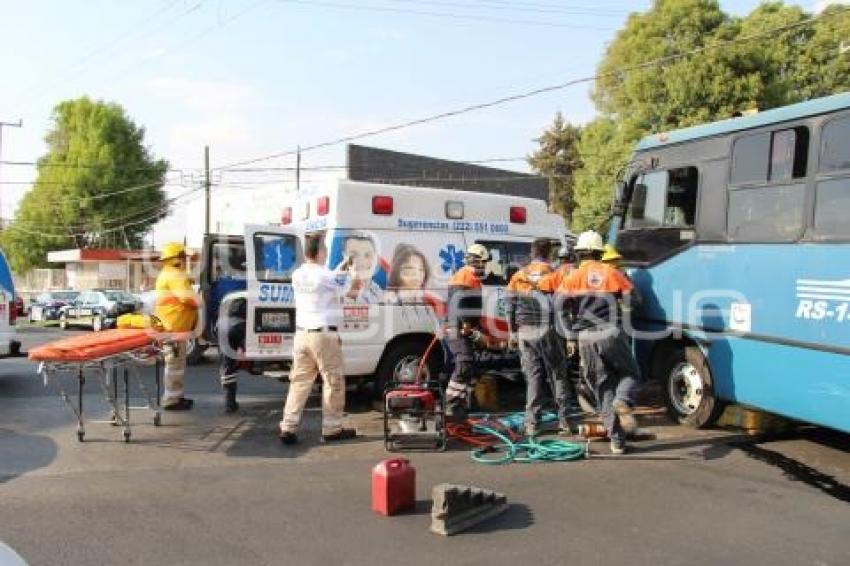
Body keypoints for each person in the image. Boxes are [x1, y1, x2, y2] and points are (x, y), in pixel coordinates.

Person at [557, 230, 641, 455]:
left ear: (580, 254)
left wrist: (570, 335)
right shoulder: (612, 272)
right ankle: (622, 400)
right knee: (631, 374)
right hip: (610, 332)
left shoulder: (572, 277)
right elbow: (634, 298)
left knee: (602, 388)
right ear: (599, 252)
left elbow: (559, 306)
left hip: (585, 338)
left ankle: (617, 442)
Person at [279, 234, 357, 445]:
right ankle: (332, 428)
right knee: (333, 381)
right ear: (322, 252)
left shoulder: (298, 274)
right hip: (324, 336)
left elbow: (328, 279)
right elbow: (351, 290)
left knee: (299, 382)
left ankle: (288, 426)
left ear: (306, 253)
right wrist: (351, 270)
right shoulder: (325, 276)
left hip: (302, 335)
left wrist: (340, 268)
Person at [506, 238, 575, 437]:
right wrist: (569, 335)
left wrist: (512, 332)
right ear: (549, 254)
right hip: (549, 330)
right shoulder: (556, 274)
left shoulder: (518, 275)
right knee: (558, 374)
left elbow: (509, 306)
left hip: (525, 331)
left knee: (534, 376)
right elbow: (564, 306)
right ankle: (565, 422)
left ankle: (532, 424)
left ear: (532, 253)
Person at [444, 243, 489, 421]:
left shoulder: (470, 277)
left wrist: (477, 327)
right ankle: (452, 403)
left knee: (470, 365)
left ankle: (465, 403)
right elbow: (458, 301)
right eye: (484, 262)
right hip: (458, 328)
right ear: (476, 261)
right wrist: (466, 324)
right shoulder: (465, 276)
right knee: (464, 362)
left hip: (465, 328)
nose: (485, 266)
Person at [155, 242, 200, 411]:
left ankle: (176, 397)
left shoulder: (170, 274)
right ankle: (171, 400)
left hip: (172, 327)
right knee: (174, 365)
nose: (185, 260)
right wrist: (200, 301)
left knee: (176, 365)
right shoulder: (175, 276)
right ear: (177, 259)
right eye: (183, 257)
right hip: (173, 328)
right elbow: (187, 298)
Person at [341, 233, 382, 304]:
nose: (362, 262)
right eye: (354, 255)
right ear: (344, 256)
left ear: (376, 258)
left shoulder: (377, 290)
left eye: (368, 255)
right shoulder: (338, 289)